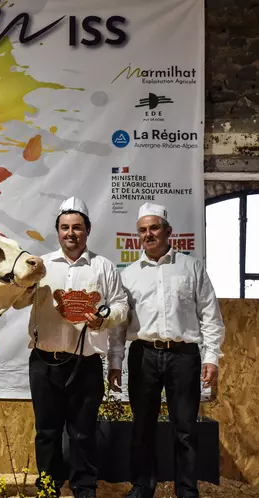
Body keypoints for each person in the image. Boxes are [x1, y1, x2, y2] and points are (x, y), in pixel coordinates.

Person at [13, 197, 129, 498]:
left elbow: (120, 306)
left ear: (87, 231)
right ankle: (48, 487)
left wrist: (102, 319)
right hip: (44, 360)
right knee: (47, 431)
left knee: (83, 430)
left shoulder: (103, 267)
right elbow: (17, 302)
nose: (70, 233)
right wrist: (25, 285)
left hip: (85, 362)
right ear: (58, 231)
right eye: (65, 227)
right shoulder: (39, 266)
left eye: (77, 227)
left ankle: (84, 487)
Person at [108, 202, 225, 498]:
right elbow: (119, 327)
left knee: (185, 429)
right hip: (143, 355)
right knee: (142, 426)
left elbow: (210, 316)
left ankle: (186, 489)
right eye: (143, 230)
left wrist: (211, 357)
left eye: (154, 227)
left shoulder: (191, 268)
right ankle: (142, 485)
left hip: (184, 357)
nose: (148, 234)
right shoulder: (129, 274)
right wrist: (114, 363)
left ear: (168, 231)